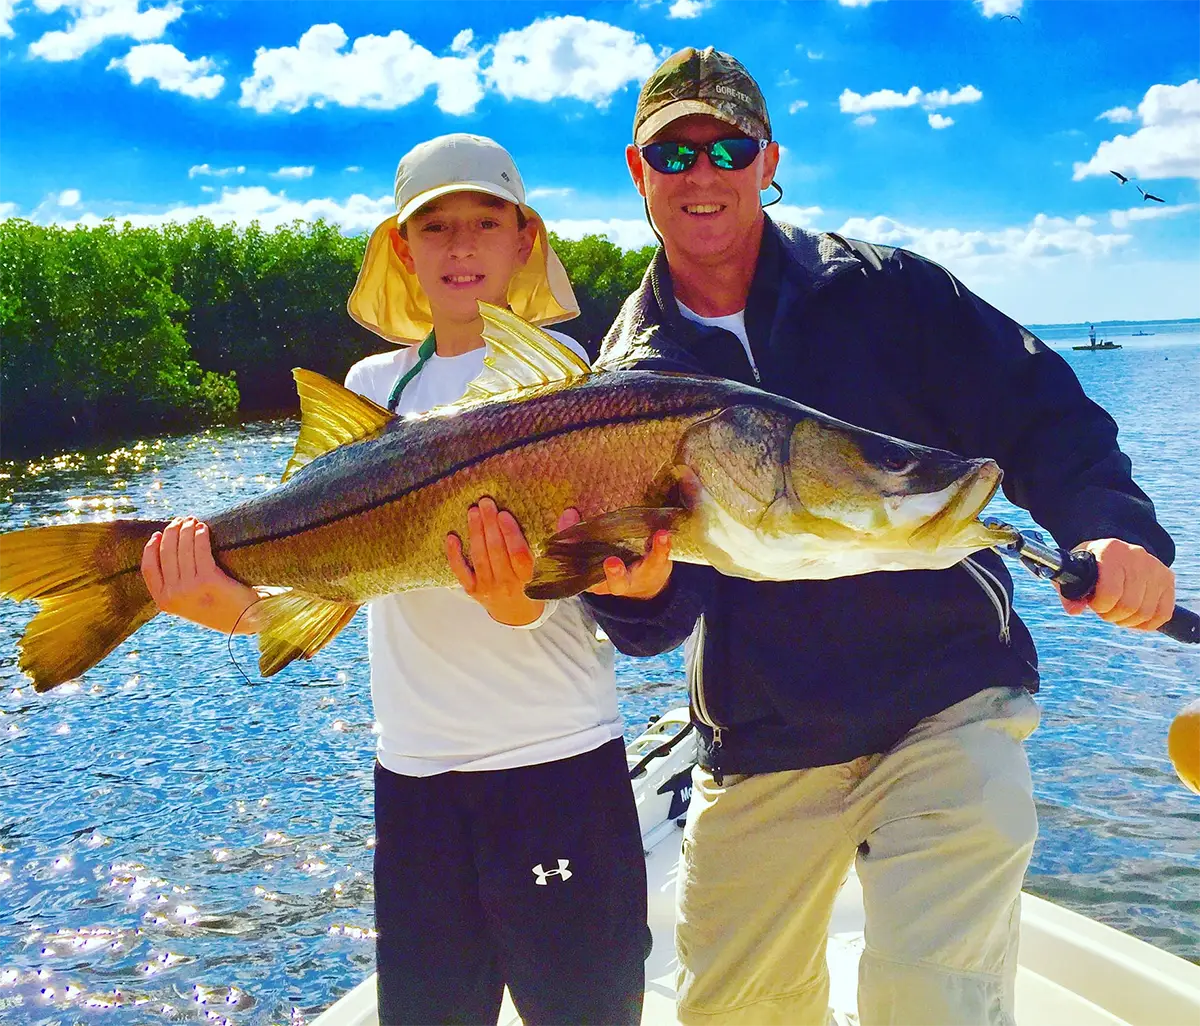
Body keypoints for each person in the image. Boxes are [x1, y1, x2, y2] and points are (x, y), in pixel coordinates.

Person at [578, 47, 1177, 1026]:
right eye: (674, 154)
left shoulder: (888, 293)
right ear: (639, 172)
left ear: (769, 162)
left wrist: (1112, 529)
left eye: (729, 147)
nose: (704, 174)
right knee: (732, 1012)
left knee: (927, 999)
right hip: (764, 736)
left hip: (947, 699)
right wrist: (631, 589)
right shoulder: (627, 378)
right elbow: (651, 623)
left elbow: (1040, 414)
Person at [140, 134, 648, 1025]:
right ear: (401, 250)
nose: (460, 245)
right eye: (435, 226)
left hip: (559, 761)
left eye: (485, 222)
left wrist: (519, 604)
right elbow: (339, 579)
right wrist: (234, 611)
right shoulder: (373, 385)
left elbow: (611, 578)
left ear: (525, 239)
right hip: (413, 776)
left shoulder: (585, 386)